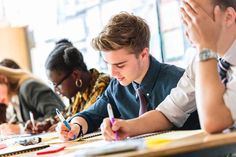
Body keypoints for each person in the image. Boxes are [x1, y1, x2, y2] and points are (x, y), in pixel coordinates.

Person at [101, 0, 236, 140]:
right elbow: (168, 113)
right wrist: (127, 127)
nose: (188, 33)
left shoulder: (205, 56)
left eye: (196, 20)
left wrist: (205, 48)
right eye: (186, 21)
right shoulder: (200, 62)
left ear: (228, 17)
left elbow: (213, 122)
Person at [57, 12, 193, 141]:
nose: (112, 73)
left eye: (120, 65)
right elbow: (90, 116)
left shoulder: (179, 82)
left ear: (143, 54)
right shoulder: (117, 86)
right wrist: (76, 127)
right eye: (108, 64)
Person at [25, 39, 111, 133]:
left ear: (75, 75)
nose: (55, 90)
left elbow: (88, 115)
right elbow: (64, 116)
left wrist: (60, 126)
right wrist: (44, 124)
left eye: (57, 84)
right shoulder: (78, 94)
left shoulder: (103, 85)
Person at [0, 59, 65, 135]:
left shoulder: (29, 87)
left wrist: (21, 128)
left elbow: (58, 113)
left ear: (3, 79)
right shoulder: (15, 98)